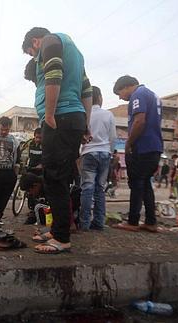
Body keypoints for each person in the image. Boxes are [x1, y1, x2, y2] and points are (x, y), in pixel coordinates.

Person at [22, 27, 92, 253]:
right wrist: (86, 123)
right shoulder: (76, 53)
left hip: (60, 116)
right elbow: (87, 90)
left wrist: (49, 113)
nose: (35, 57)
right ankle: (57, 230)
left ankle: (61, 237)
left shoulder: (50, 41)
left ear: (35, 41)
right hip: (73, 116)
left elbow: (53, 72)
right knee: (59, 176)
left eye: (32, 53)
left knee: (54, 179)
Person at [112, 75, 163, 233]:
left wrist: (129, 142)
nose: (121, 97)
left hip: (143, 146)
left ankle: (133, 221)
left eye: (120, 93)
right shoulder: (152, 94)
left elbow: (140, 120)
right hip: (154, 146)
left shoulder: (138, 94)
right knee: (146, 184)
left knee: (137, 183)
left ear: (127, 86)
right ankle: (150, 221)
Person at [79, 86, 116, 231]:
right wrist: (110, 152)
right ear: (99, 97)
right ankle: (99, 222)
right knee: (100, 188)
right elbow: (113, 137)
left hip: (88, 153)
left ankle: (84, 223)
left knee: (87, 188)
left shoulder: (84, 115)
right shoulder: (108, 114)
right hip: (105, 153)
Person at [24, 128, 43, 224]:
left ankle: (35, 209)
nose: (38, 139)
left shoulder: (45, 146)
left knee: (36, 190)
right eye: (36, 137)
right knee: (28, 189)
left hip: (40, 170)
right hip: (30, 167)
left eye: (40, 138)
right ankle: (31, 208)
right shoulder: (30, 144)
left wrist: (42, 165)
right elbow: (25, 155)